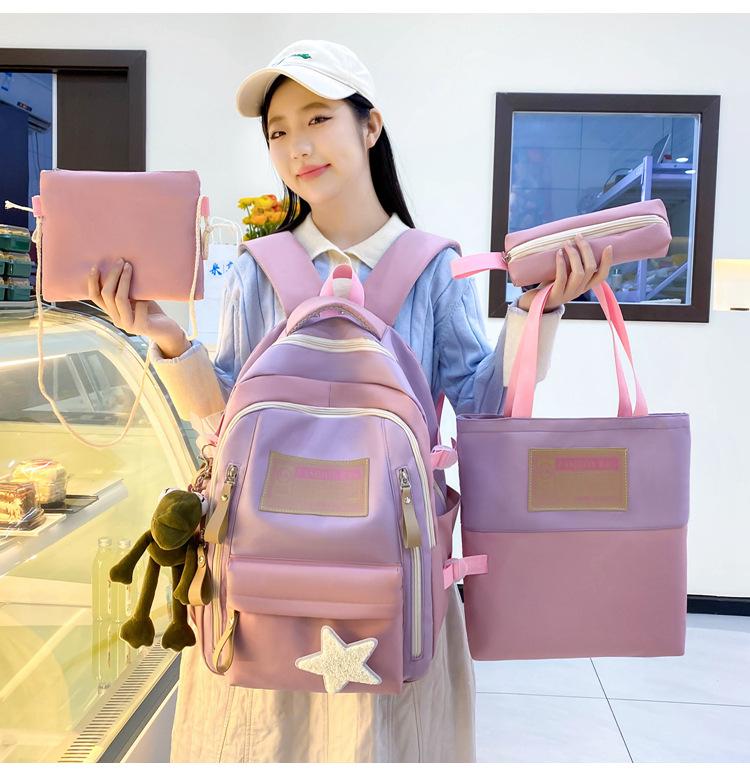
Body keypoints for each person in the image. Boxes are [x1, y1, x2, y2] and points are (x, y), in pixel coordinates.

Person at [87, 39, 613, 763]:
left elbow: (483, 410)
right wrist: (167, 338)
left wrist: (537, 310)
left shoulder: (434, 266)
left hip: (391, 582)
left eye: (317, 119)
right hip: (263, 582)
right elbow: (223, 425)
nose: (297, 147)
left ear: (370, 126)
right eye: (277, 132)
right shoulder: (258, 268)